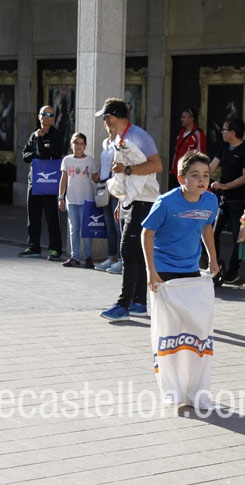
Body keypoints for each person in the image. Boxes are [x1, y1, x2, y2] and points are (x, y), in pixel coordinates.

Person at [142, 150, 219, 408]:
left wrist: (213, 258)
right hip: (164, 272)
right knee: (169, 333)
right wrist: (151, 271)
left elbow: (206, 227)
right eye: (195, 175)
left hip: (191, 272)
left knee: (196, 330)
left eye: (206, 175)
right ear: (181, 178)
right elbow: (147, 233)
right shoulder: (166, 203)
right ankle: (171, 389)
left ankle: (197, 391)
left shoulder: (210, 201)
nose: (202, 180)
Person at [96, 98, 163, 322]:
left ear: (111, 117)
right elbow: (123, 176)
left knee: (127, 251)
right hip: (131, 200)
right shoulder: (120, 138)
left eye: (105, 118)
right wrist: (121, 201)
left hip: (144, 201)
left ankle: (123, 304)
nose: (104, 123)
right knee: (136, 253)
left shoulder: (138, 136)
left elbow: (156, 165)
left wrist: (127, 169)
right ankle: (139, 303)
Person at [210, 117, 245, 284]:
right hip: (223, 199)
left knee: (238, 236)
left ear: (233, 133)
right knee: (212, 230)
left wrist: (225, 186)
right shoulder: (223, 147)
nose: (222, 132)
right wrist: (200, 177)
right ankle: (214, 264)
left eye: (224, 130)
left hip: (238, 200)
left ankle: (233, 270)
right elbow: (211, 167)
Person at [19, 106, 65, 261]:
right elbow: (25, 155)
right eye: (44, 114)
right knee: (33, 215)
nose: (46, 117)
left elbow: (45, 153)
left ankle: (55, 249)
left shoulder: (56, 135)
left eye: (49, 115)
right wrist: (37, 152)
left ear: (53, 118)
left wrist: (39, 142)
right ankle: (33, 246)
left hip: (49, 181)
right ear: (39, 116)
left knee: (52, 216)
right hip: (34, 181)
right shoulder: (34, 134)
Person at [58, 132, 99, 269]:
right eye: (76, 143)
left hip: (86, 200)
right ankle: (74, 256)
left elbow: (95, 178)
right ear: (71, 145)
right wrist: (61, 197)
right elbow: (64, 179)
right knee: (73, 229)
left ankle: (88, 257)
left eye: (81, 143)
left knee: (86, 230)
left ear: (85, 146)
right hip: (72, 199)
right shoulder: (67, 160)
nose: (78, 146)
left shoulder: (90, 161)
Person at [95, 120, 123, 274]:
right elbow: (103, 163)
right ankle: (111, 257)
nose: (109, 127)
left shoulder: (121, 142)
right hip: (104, 186)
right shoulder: (105, 142)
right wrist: (98, 175)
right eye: (107, 124)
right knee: (109, 226)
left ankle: (122, 260)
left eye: (112, 124)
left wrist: (115, 187)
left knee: (118, 226)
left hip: (116, 187)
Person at [169, 107, 206, 189]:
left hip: (189, 172)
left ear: (191, 119)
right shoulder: (181, 134)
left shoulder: (198, 134)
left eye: (184, 117)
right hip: (177, 172)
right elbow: (176, 152)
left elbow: (200, 153)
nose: (181, 119)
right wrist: (173, 169)